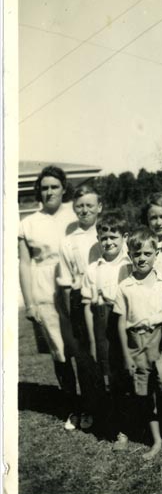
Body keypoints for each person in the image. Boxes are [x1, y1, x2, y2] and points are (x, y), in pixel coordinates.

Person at [18, 165, 79, 429]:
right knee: (59, 351)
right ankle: (73, 407)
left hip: (75, 286)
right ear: (38, 192)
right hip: (45, 289)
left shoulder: (76, 216)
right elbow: (24, 264)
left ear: (64, 188)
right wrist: (30, 302)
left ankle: (96, 402)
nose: (49, 192)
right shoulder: (28, 223)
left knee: (83, 347)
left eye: (54, 186)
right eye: (44, 188)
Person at [114, 227, 162, 460]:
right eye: (137, 254)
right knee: (146, 394)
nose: (142, 258)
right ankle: (156, 441)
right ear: (129, 255)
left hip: (161, 338)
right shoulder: (125, 286)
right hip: (137, 342)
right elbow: (121, 323)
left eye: (146, 253)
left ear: (156, 253)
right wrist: (126, 354)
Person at [81, 211, 132, 439]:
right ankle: (120, 427)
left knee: (132, 372)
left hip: (129, 322)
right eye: (104, 238)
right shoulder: (94, 269)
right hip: (103, 325)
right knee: (110, 376)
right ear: (98, 239)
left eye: (114, 236)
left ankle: (140, 420)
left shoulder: (131, 265)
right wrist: (93, 340)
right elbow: (87, 308)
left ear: (125, 238)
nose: (109, 242)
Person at [58, 183, 103, 431]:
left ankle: (118, 406)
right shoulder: (68, 241)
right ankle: (89, 408)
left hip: (105, 297)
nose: (85, 210)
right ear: (74, 209)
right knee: (85, 357)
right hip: (79, 299)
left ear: (99, 207)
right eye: (80, 206)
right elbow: (66, 282)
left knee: (111, 355)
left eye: (89, 205)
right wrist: (68, 315)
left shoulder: (108, 232)